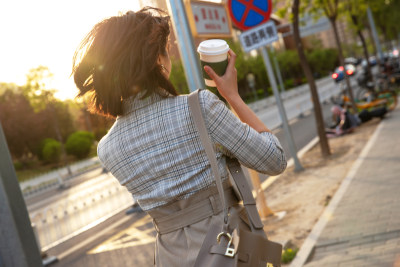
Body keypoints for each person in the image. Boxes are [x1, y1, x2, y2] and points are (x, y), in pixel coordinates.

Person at [72, 7, 287, 266]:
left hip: (169, 257)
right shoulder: (198, 108)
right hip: (228, 248)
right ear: (157, 60)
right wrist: (233, 96)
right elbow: (274, 159)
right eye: (166, 49)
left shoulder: (107, 149)